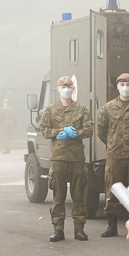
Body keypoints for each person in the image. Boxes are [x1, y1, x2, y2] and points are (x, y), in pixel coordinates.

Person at [37, 75, 93, 242]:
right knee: (58, 195)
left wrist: (76, 134)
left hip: (76, 159)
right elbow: (44, 130)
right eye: (64, 87)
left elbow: (89, 129)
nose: (67, 89)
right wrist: (59, 132)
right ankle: (58, 229)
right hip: (59, 158)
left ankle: (79, 229)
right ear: (58, 89)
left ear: (73, 89)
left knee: (78, 195)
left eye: (69, 87)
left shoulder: (82, 109)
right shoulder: (51, 110)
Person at [95, 72, 129, 238]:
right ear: (117, 87)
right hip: (115, 156)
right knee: (112, 191)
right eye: (122, 84)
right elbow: (102, 131)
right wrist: (113, 144)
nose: (125, 88)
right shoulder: (108, 107)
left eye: (128, 84)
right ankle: (111, 226)